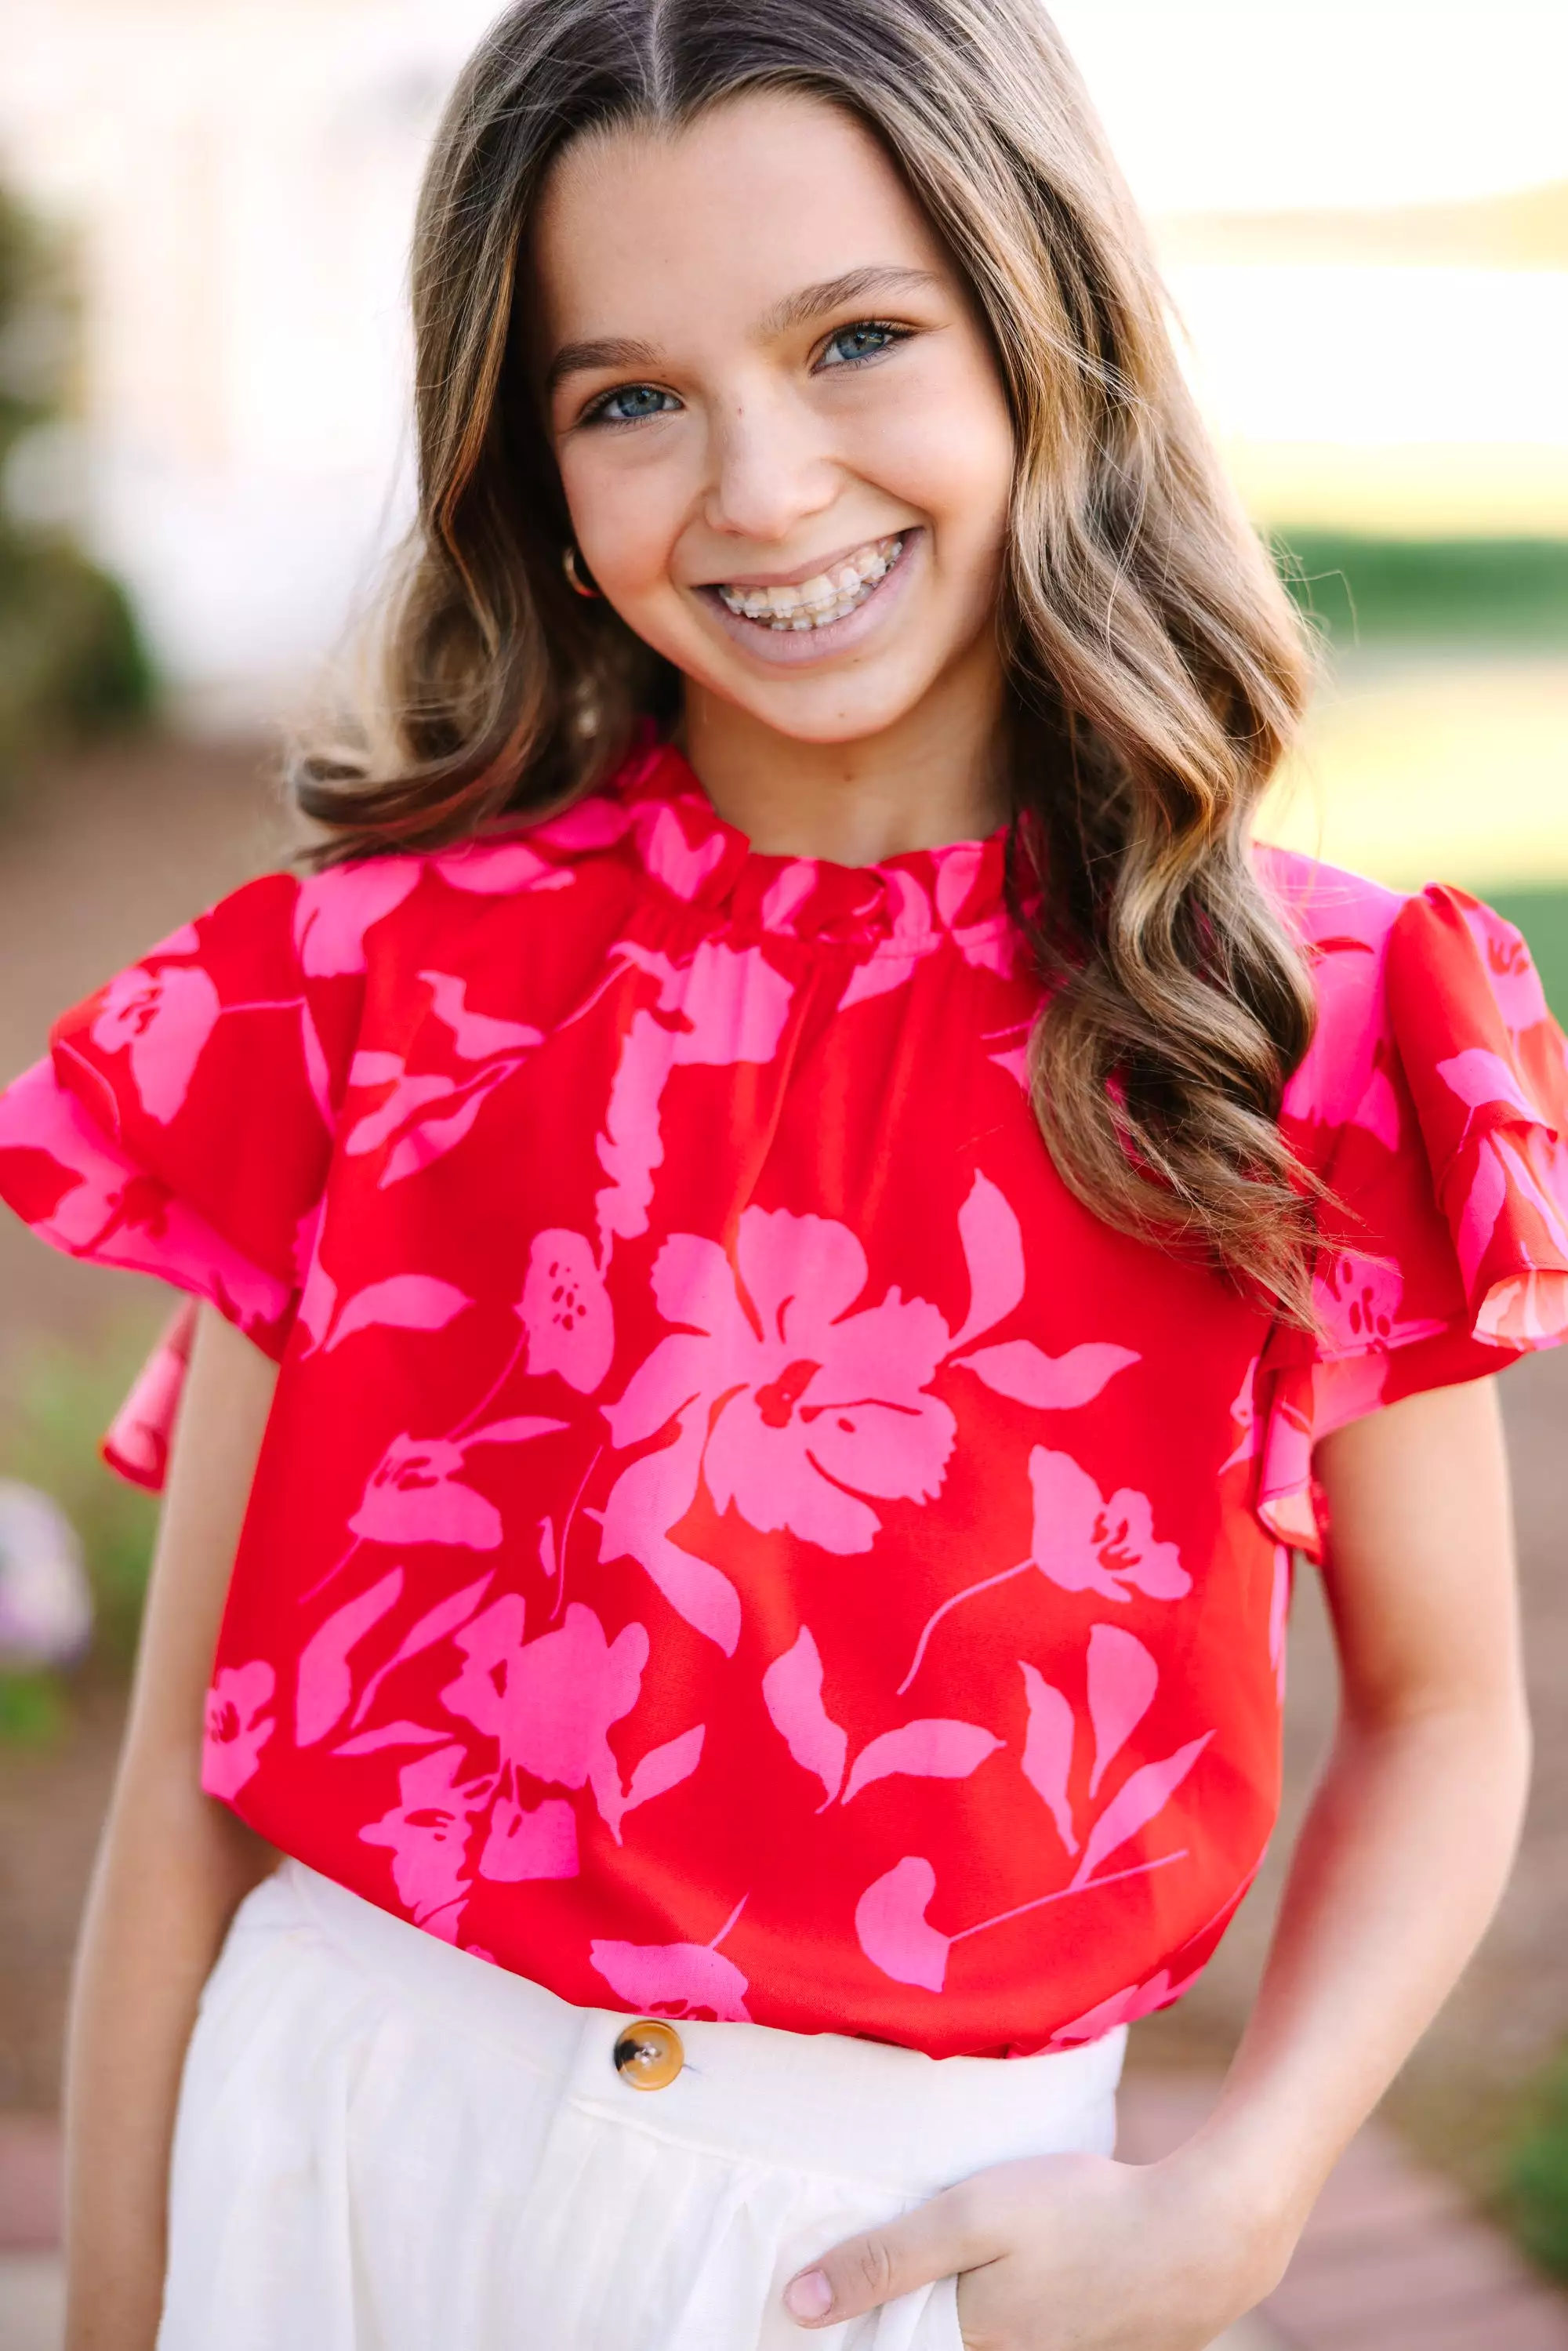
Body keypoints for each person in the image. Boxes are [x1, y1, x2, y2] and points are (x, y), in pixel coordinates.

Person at [2, 3, 1563, 2345]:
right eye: (626, 396)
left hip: (881, 2251)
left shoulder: (1298, 1033)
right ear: (527, 469)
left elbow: (1446, 1711)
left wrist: (1243, 2190)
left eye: (856, 339)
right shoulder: (373, 989)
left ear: (1049, 334)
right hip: (327, 2153)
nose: (758, 484)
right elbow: (186, 1805)